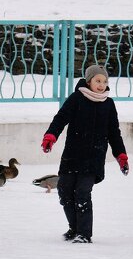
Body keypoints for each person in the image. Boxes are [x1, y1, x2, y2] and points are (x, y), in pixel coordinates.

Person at [40, 64, 128, 244]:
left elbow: (114, 133)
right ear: (88, 82)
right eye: (98, 80)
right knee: (65, 191)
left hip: (93, 158)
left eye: (104, 81)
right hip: (72, 155)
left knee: (82, 192)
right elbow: (61, 118)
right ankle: (75, 228)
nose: (102, 85)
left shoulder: (108, 104)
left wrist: (121, 156)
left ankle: (84, 234)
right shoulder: (77, 98)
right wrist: (51, 136)